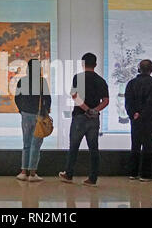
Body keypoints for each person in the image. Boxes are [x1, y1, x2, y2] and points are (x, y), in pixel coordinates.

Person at [59, 53, 109, 187]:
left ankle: (68, 174)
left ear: (83, 64)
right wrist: (95, 110)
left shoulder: (78, 78)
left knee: (74, 147)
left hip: (79, 117)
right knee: (94, 149)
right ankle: (92, 178)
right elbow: (106, 101)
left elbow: (75, 96)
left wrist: (86, 109)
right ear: (96, 64)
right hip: (94, 119)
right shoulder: (101, 80)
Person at [14, 59, 51, 182]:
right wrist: (45, 111)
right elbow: (48, 99)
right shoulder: (42, 82)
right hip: (38, 116)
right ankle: (33, 174)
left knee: (26, 143)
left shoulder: (22, 81)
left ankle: (23, 172)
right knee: (36, 144)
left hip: (25, 115)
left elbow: (17, 98)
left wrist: (21, 110)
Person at [125, 59, 152, 182]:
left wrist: (133, 114)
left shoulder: (131, 83)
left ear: (139, 69)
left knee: (135, 145)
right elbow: (151, 101)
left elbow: (128, 101)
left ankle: (133, 172)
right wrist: (142, 114)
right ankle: (145, 174)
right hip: (149, 119)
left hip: (135, 119)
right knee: (148, 146)